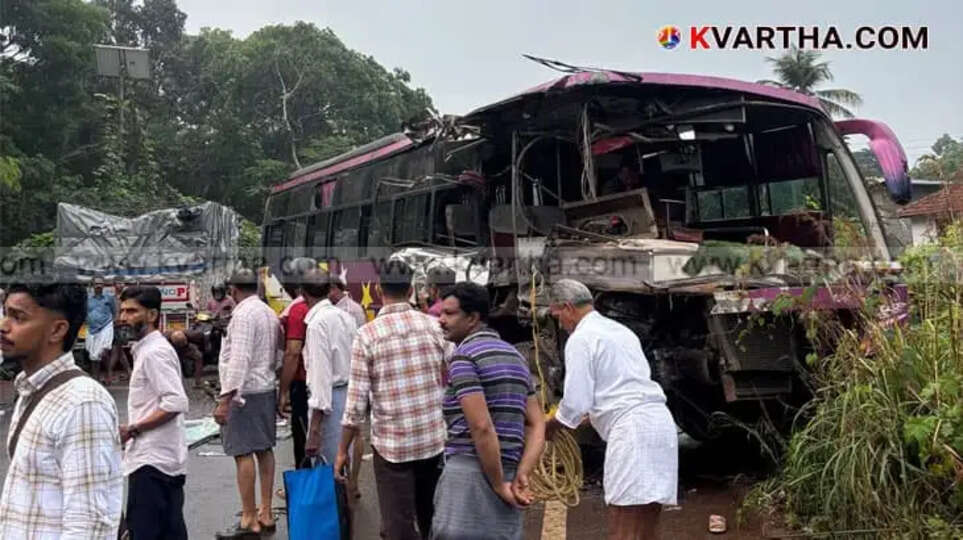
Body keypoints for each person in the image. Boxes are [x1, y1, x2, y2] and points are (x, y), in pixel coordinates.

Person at [545, 279, 678, 540]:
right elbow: (616, 391)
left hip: (632, 430)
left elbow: (575, 404)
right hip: (658, 423)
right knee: (647, 523)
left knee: (623, 523)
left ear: (569, 308)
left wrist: (549, 426)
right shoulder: (620, 331)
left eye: (557, 314)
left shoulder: (581, 339)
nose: (559, 322)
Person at [335, 259, 451, 540]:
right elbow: (456, 372)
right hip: (433, 442)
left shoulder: (367, 335)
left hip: (392, 449)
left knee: (398, 525)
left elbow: (355, 406)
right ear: (411, 289)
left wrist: (342, 451)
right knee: (432, 517)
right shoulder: (434, 327)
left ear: (377, 289)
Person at [0, 282, 123, 537]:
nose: (3, 326)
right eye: (5, 313)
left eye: (18, 317)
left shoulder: (82, 403)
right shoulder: (31, 389)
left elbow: (88, 523)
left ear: (57, 330)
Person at [432, 282, 545, 540]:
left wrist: (497, 485)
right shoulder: (516, 357)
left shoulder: (464, 358)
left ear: (472, 318)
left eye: (449, 314)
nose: (441, 320)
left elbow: (481, 427)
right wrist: (522, 473)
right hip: (509, 470)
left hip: (470, 476)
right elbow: (536, 424)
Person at [213, 269, 282, 538]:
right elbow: (277, 353)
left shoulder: (242, 315)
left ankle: (249, 518)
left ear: (233, 289)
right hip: (264, 387)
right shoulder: (267, 312)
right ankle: (265, 512)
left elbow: (239, 359)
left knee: (242, 452)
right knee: (264, 450)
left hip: (244, 393)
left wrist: (225, 399)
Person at [117, 286, 190, 539]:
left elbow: (175, 402)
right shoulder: (146, 349)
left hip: (152, 462)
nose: (123, 317)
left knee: (145, 532)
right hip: (161, 460)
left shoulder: (154, 352)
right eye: (122, 311)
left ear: (152, 315)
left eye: (131, 311)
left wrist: (133, 429)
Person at [301, 270, 358, 463]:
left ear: (303, 294)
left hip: (329, 405)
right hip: (347, 397)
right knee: (343, 464)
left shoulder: (317, 325)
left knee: (329, 469)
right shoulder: (345, 317)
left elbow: (320, 377)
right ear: (328, 290)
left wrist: (315, 429)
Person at [277, 260, 313, 470]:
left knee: (303, 439)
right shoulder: (336, 309)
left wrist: (283, 392)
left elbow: (292, 353)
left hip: (303, 383)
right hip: (328, 384)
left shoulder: (298, 311)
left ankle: (306, 491)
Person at [85, 278, 117, 383]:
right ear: (92, 285)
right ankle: (95, 378)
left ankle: (107, 374)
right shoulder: (88, 299)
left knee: (102, 352)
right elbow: (84, 312)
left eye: (100, 284)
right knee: (93, 355)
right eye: (96, 284)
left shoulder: (109, 298)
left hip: (105, 326)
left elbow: (114, 312)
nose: (98, 286)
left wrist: (113, 323)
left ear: (104, 285)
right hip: (92, 329)